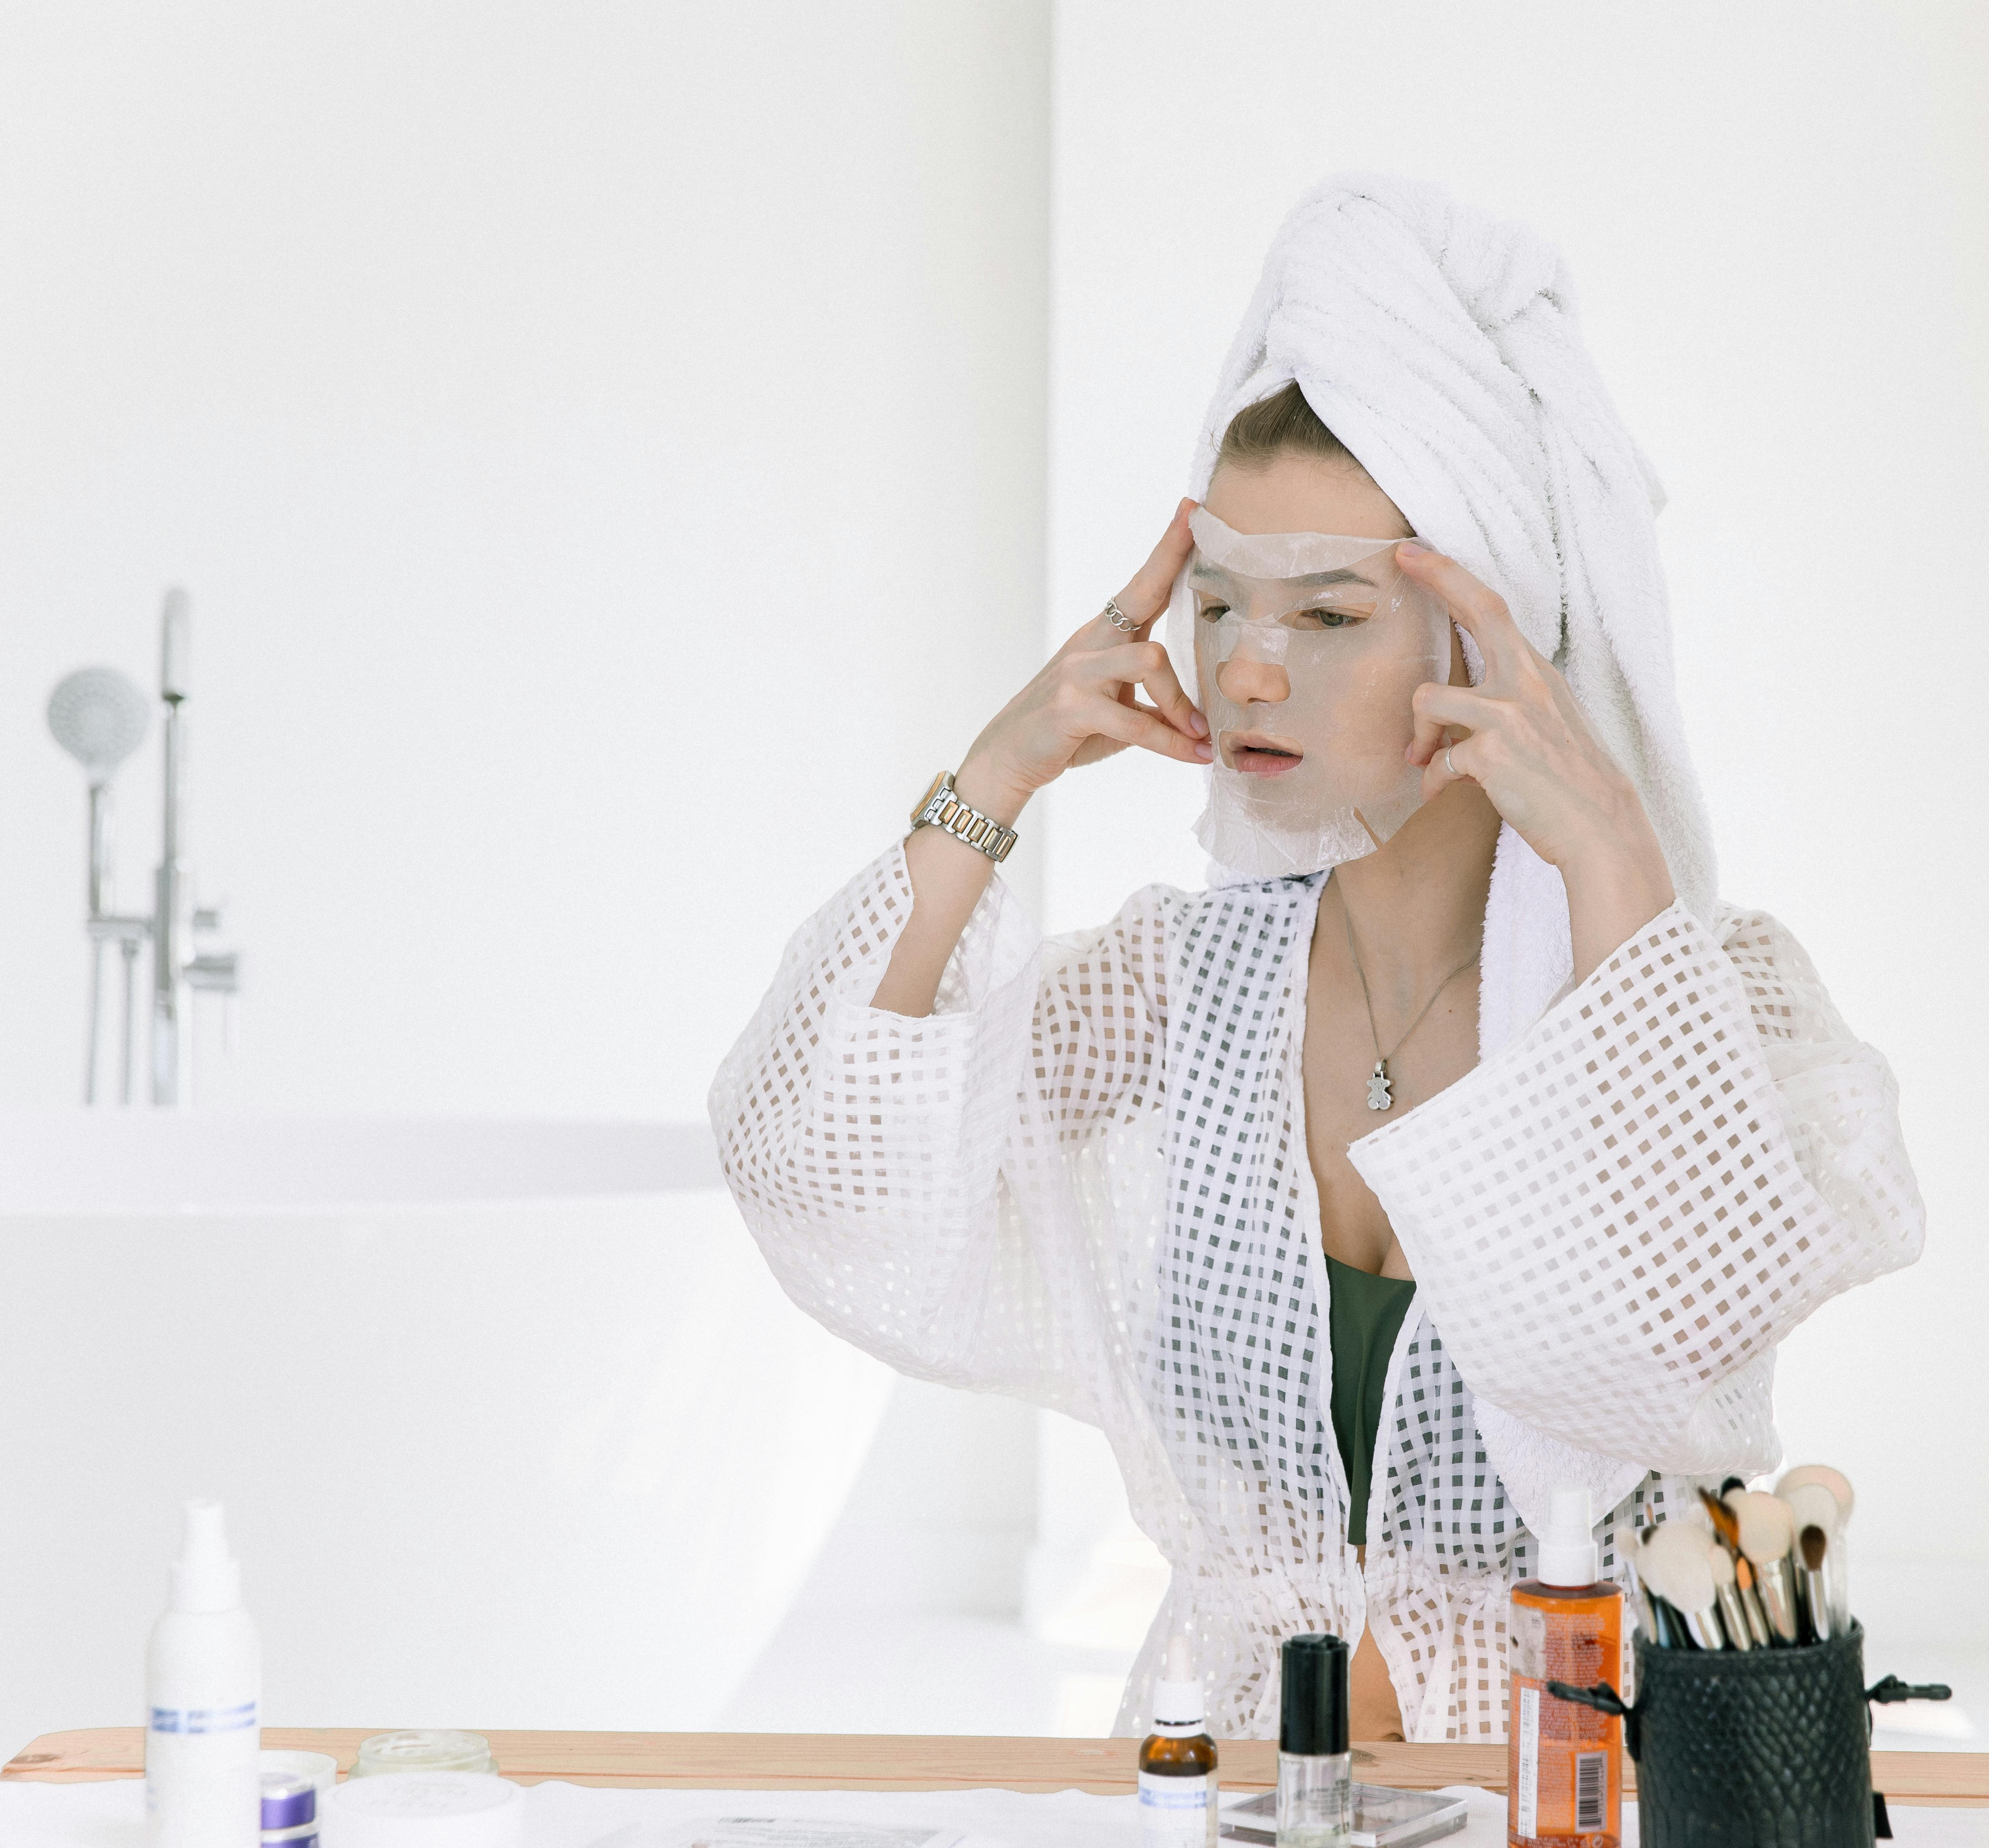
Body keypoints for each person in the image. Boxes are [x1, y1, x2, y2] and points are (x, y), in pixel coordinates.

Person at [709, 173, 1925, 1745]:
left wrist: (1611, 860)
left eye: (1333, 613)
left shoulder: (1713, 997)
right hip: (1237, 1779)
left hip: (1577, 1784)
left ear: (1486, 647)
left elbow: (1676, 1349)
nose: (1251, 664)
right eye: (1220, 601)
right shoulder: (1182, 991)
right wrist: (991, 780)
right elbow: (811, 1159)